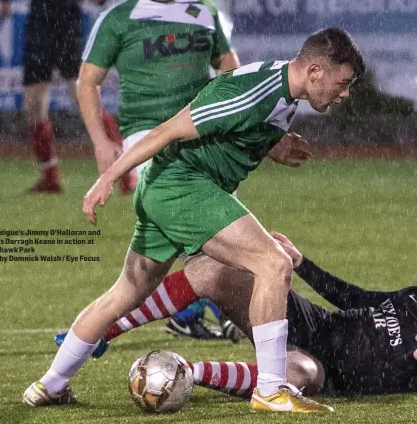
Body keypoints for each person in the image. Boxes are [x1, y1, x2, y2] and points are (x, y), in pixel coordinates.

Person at [22, 27, 366, 412]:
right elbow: (169, 130)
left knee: (124, 294)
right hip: (182, 187)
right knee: (274, 264)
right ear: (316, 70)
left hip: (168, 190)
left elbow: (243, 125)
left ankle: (49, 384)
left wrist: (275, 144)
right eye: (343, 82)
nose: (346, 93)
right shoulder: (258, 90)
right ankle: (272, 390)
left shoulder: (283, 91)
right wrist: (108, 176)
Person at [76, 0, 309, 339]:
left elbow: (231, 70)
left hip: (205, 134)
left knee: (217, 234)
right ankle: (181, 309)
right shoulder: (119, 19)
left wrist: (261, 132)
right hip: (146, 135)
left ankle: (190, 309)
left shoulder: (202, 8)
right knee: (202, 231)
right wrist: (101, 142)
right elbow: (87, 81)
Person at [88, 233, 417, 397]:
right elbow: (353, 297)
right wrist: (303, 265)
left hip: (323, 370)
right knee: (211, 269)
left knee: (294, 372)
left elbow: (378, 386)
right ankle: (109, 327)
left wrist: (411, 359)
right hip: (313, 322)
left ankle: (184, 374)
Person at [0, 0, 110, 193]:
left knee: (83, 101)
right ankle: (50, 177)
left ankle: (124, 171)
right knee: (32, 105)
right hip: (38, 30)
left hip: (67, 31)